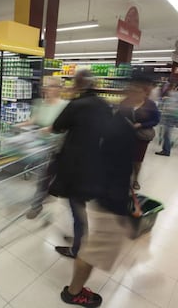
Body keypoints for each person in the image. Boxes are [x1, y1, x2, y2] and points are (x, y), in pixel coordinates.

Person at [60, 96, 136, 308]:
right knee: (92, 250)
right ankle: (74, 293)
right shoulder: (118, 127)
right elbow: (111, 166)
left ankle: (74, 288)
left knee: (91, 246)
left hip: (101, 194)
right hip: (107, 199)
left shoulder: (114, 124)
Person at [49, 69, 112, 259]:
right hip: (96, 162)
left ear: (78, 84)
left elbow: (58, 126)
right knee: (80, 204)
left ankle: (77, 247)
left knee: (77, 206)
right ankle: (78, 236)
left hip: (75, 165)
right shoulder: (105, 105)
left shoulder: (77, 104)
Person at [22, 77, 68, 219]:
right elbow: (33, 120)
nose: (48, 89)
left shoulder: (65, 106)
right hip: (43, 147)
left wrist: (52, 128)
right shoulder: (40, 104)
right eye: (46, 86)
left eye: (52, 86)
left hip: (59, 148)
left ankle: (42, 201)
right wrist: (20, 125)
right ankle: (38, 203)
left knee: (49, 177)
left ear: (59, 89)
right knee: (43, 176)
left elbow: (68, 126)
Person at [119, 77, 160, 190]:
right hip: (125, 135)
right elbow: (119, 116)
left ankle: (136, 179)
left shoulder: (150, 105)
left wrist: (141, 125)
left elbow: (156, 120)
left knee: (137, 160)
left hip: (141, 137)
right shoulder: (125, 102)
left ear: (144, 91)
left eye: (138, 90)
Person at [155, 86, 178, 156]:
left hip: (169, 116)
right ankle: (167, 147)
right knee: (168, 133)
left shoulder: (174, 96)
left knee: (167, 134)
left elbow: (167, 107)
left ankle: (166, 150)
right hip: (177, 117)